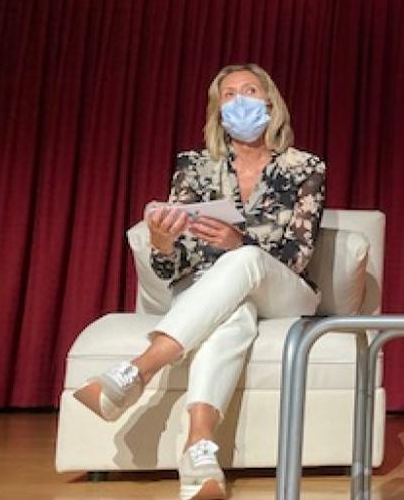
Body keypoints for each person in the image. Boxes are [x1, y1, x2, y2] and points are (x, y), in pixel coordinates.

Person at [73, 64, 326, 500]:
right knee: (234, 314)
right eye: (229, 94)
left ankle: (137, 371)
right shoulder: (194, 166)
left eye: (250, 90)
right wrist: (163, 242)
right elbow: (174, 268)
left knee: (245, 257)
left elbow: (299, 254)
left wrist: (238, 239)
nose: (241, 99)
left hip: (284, 289)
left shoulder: (305, 166)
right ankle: (199, 450)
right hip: (218, 287)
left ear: (270, 101)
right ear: (217, 108)